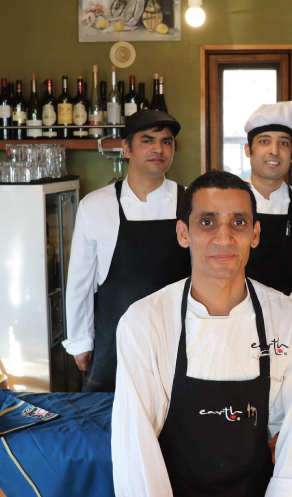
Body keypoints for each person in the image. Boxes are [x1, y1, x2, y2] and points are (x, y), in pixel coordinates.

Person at [111, 170, 292, 497]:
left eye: (238, 223)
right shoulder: (144, 323)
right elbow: (134, 450)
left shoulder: (291, 321)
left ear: (255, 233)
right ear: (183, 233)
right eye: (207, 222)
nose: (224, 238)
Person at [63, 110, 191, 392]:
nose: (158, 149)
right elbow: (80, 282)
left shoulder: (190, 202)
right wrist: (80, 341)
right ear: (126, 148)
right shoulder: (96, 205)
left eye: (167, 142)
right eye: (148, 140)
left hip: (178, 344)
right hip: (115, 346)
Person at [242, 101, 292, 314]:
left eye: (283, 143)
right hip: (235, 316)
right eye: (265, 141)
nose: (274, 151)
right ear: (248, 149)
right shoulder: (228, 201)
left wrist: (288, 316)